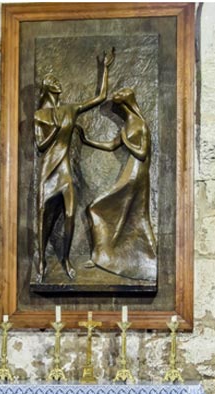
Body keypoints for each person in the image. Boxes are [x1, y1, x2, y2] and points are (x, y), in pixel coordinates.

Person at [35, 49, 115, 281]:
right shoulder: (39, 115)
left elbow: (99, 98)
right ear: (47, 88)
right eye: (52, 81)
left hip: (65, 171)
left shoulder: (69, 110)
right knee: (43, 216)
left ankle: (66, 259)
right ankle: (41, 261)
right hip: (48, 170)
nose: (57, 83)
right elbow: (40, 145)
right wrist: (57, 129)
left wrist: (105, 69)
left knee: (70, 214)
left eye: (57, 80)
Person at [77, 88, 157, 281]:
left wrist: (126, 140)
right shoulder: (130, 123)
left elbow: (142, 153)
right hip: (131, 173)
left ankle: (102, 257)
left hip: (135, 175)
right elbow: (112, 145)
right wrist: (87, 140)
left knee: (96, 208)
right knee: (136, 217)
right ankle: (137, 259)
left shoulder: (140, 123)